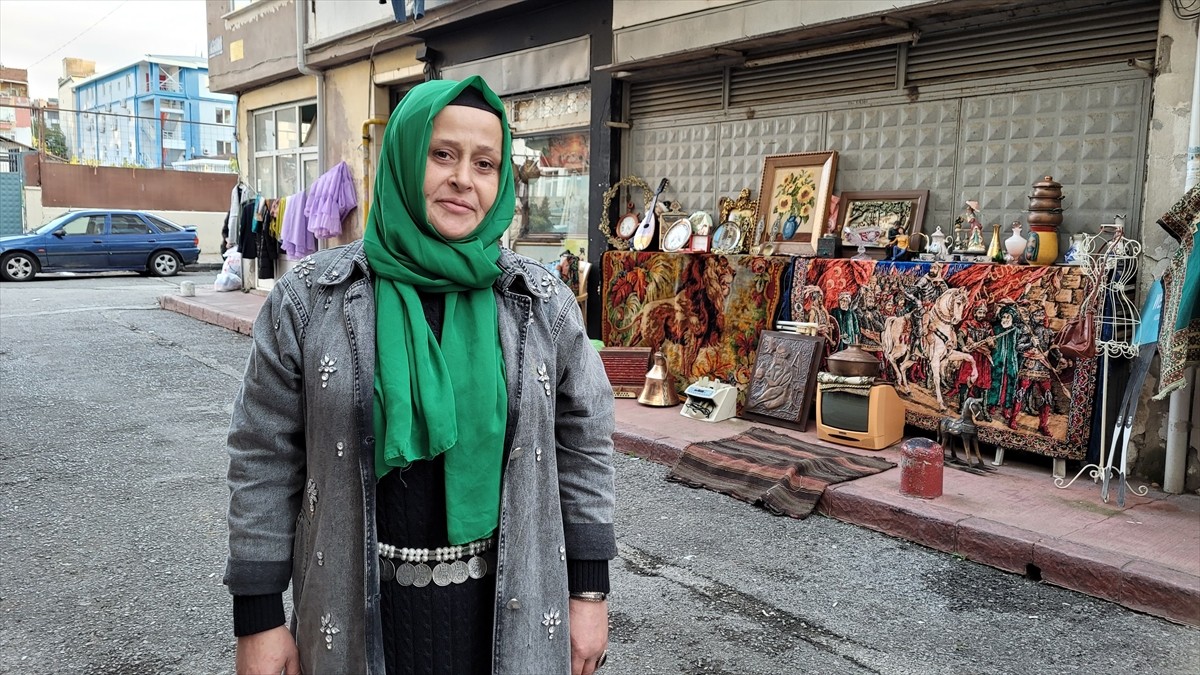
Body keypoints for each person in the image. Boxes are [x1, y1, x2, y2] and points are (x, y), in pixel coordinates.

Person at [223, 76, 616, 675]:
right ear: (406, 157)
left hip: (503, 625)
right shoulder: (311, 301)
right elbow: (263, 455)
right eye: (443, 154)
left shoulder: (540, 303)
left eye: (485, 163)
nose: (464, 178)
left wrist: (589, 594)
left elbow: (585, 445)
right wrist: (258, 617)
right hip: (358, 624)